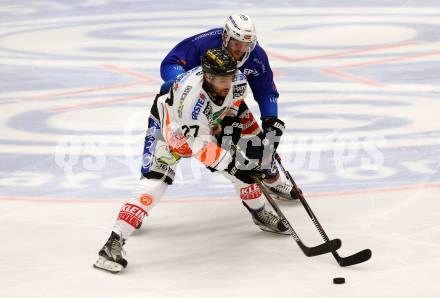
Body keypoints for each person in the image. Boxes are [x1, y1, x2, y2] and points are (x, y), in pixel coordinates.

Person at [94, 47, 289, 273]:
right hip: (172, 129)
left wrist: (242, 131)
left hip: (207, 126)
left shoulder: (237, 80)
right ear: (208, 77)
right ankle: (113, 242)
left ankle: (259, 213)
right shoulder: (191, 102)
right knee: (155, 182)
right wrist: (234, 165)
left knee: (244, 166)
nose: (229, 82)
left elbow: (235, 105)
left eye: (231, 76)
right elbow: (201, 149)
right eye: (222, 79)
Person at [155, 14, 294, 202]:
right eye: (236, 43)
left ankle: (268, 172)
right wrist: (184, 86)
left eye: (246, 45)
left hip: (226, 98)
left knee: (253, 134)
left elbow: (266, 90)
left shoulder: (257, 56)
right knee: (171, 151)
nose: (240, 50)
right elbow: (170, 63)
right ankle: (145, 196)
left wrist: (270, 119)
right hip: (192, 98)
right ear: (225, 37)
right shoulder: (205, 44)